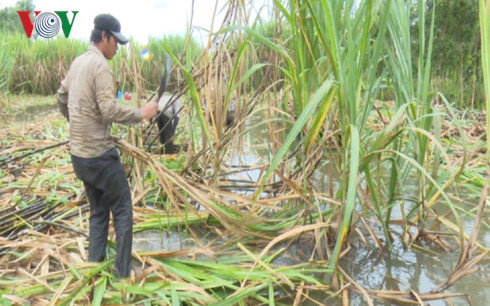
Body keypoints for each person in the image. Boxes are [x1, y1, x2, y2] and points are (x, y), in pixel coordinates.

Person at [57, 14, 158, 278]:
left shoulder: (78, 62)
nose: (118, 47)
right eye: (116, 41)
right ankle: (123, 274)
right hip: (98, 156)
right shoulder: (100, 66)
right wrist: (141, 113)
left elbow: (61, 97)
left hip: (79, 156)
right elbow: (109, 109)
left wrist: (77, 122)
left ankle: (93, 266)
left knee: (99, 210)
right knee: (123, 207)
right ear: (104, 36)